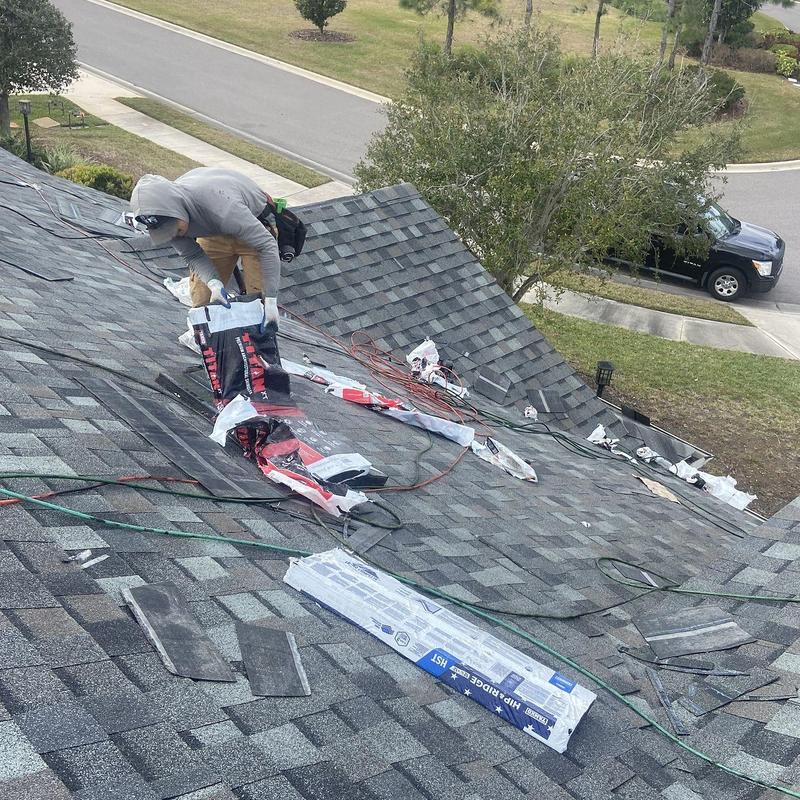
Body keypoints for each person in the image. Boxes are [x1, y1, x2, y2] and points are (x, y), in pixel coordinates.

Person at [130, 167, 282, 325]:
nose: (172, 234)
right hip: (213, 231)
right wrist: (214, 284)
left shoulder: (222, 207)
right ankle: (208, 340)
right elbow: (193, 255)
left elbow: (267, 245)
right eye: (165, 231)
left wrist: (270, 300)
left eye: (172, 228)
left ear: (177, 210)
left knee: (257, 304)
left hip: (253, 226)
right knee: (202, 298)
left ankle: (258, 340)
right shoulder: (168, 217)